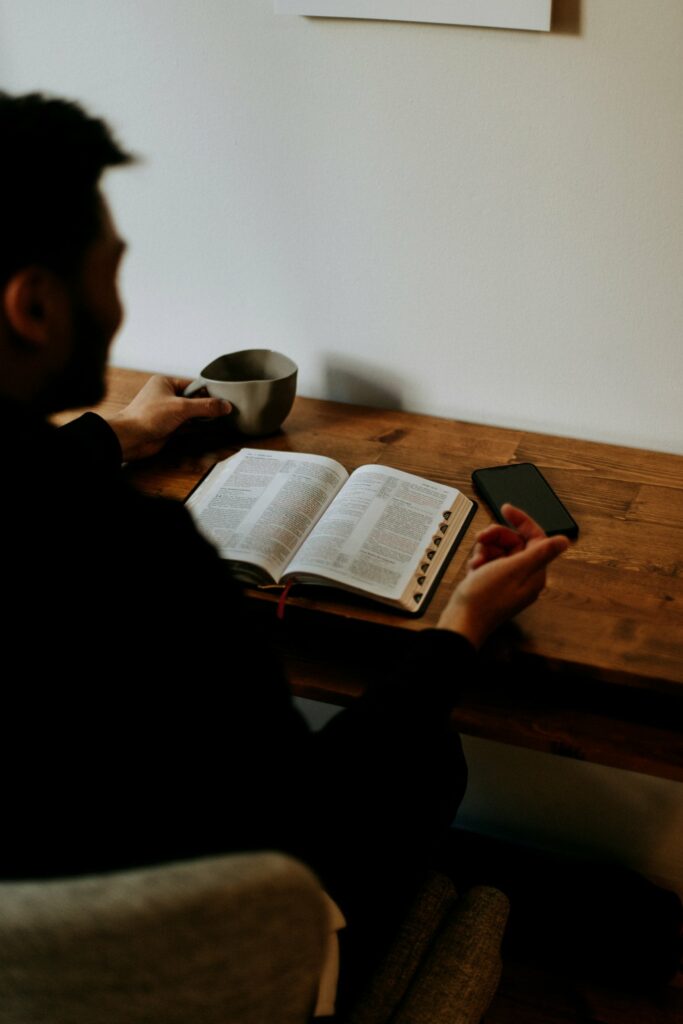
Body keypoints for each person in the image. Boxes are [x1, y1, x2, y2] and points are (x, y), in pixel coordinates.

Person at [0, 91, 568, 1011]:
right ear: (34, 305)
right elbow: (314, 823)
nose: (117, 298)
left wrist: (117, 434)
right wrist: (461, 626)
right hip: (225, 979)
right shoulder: (138, 558)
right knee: (425, 754)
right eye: (110, 268)